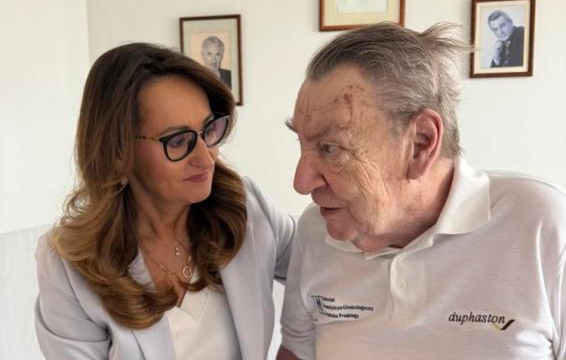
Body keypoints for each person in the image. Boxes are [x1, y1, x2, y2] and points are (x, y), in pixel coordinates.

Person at [277, 22, 566, 359]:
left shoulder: (540, 224)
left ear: (420, 144)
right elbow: (296, 353)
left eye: (330, 148)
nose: (301, 182)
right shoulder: (317, 229)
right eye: (302, 143)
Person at [35, 43, 295, 360]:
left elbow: (325, 265)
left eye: (208, 129)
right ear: (118, 151)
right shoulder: (68, 264)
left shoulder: (246, 207)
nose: (206, 158)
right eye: (178, 140)